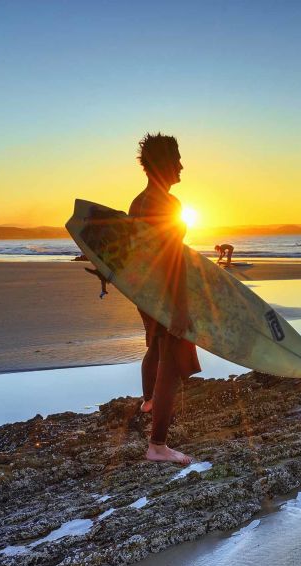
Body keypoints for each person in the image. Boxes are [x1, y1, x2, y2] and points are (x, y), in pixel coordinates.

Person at [129, 133, 202, 465]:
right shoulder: (168, 205)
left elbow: (133, 256)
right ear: (163, 164)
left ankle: (148, 402)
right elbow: (173, 258)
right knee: (170, 363)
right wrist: (181, 309)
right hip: (164, 292)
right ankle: (158, 445)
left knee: (157, 347)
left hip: (145, 291)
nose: (181, 166)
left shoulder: (138, 202)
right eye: (177, 160)